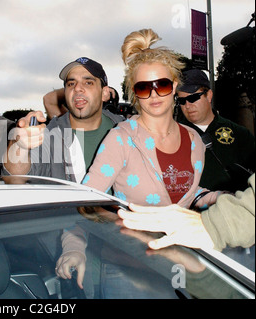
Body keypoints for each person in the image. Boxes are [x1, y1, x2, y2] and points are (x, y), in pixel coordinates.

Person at [56, 29, 220, 292]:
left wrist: (213, 197)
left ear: (175, 86)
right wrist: (74, 249)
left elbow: (178, 191)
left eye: (162, 85)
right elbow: (85, 203)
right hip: (128, 271)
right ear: (134, 92)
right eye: (144, 88)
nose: (154, 95)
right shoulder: (121, 139)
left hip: (183, 266)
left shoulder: (194, 140)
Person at [3, 57, 124, 183]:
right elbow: (14, 178)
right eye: (71, 84)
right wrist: (19, 146)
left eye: (88, 83)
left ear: (104, 93)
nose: (77, 88)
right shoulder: (51, 137)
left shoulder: (126, 129)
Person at [117, 173, 255, 252]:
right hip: (134, 248)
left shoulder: (191, 138)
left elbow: (190, 190)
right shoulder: (122, 136)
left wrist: (217, 223)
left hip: (189, 243)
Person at [177, 68, 255, 193]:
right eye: (181, 101)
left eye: (193, 98)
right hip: (192, 211)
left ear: (209, 95)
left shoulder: (239, 134)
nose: (187, 105)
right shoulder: (173, 136)